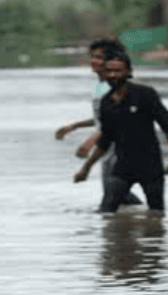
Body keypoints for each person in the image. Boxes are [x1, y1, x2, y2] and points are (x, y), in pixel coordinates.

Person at [74, 49, 168, 213]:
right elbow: (105, 139)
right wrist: (86, 168)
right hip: (123, 168)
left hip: (151, 167)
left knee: (157, 214)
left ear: (129, 72)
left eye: (118, 71)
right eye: (109, 71)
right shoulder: (105, 101)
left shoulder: (145, 94)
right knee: (106, 212)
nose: (113, 75)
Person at [55, 38, 142, 208]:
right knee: (120, 196)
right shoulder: (100, 87)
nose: (94, 61)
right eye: (92, 56)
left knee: (109, 203)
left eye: (100, 58)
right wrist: (74, 126)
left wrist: (91, 140)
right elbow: (101, 117)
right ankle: (152, 218)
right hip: (109, 150)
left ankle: (152, 222)